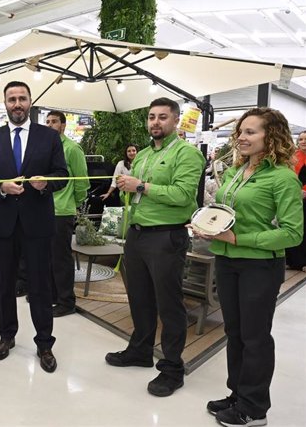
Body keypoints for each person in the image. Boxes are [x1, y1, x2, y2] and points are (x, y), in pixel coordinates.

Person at [193, 108, 302, 427]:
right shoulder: (236, 171)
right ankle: (238, 394)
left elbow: (292, 232)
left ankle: (255, 409)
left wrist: (238, 238)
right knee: (234, 332)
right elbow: (225, 211)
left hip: (260, 267)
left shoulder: (283, 177)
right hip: (227, 260)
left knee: (255, 336)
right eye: (241, 130)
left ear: (273, 136)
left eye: (251, 131)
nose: (242, 136)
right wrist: (208, 224)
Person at [105, 97, 205, 397]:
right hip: (137, 234)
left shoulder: (187, 155)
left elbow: (184, 195)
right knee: (139, 297)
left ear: (175, 121)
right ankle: (140, 350)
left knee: (169, 303)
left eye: (162, 117)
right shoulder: (145, 154)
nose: (155, 122)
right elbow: (138, 192)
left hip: (166, 236)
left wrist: (140, 186)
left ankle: (172, 367)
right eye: (151, 117)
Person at [0, 81, 68, 373]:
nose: (17, 103)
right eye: (12, 99)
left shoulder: (49, 137)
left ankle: (44, 343)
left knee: (40, 285)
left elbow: (62, 175)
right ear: (5, 103)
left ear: (30, 102)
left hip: (38, 223)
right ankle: (7, 336)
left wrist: (46, 184)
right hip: (3, 223)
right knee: (4, 285)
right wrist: (0, 187)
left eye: (22, 98)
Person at [44, 110, 89, 317]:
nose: (50, 125)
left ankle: (66, 301)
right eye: (47, 122)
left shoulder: (72, 149)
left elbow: (81, 182)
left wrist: (75, 203)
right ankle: (52, 295)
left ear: (63, 125)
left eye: (54, 121)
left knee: (61, 257)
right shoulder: (46, 149)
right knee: (48, 257)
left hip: (62, 209)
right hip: (44, 209)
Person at [286, 131, 306, 271]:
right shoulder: (293, 157)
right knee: (293, 225)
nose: (303, 141)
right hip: (294, 197)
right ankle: (293, 260)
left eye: (305, 139)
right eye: (301, 139)